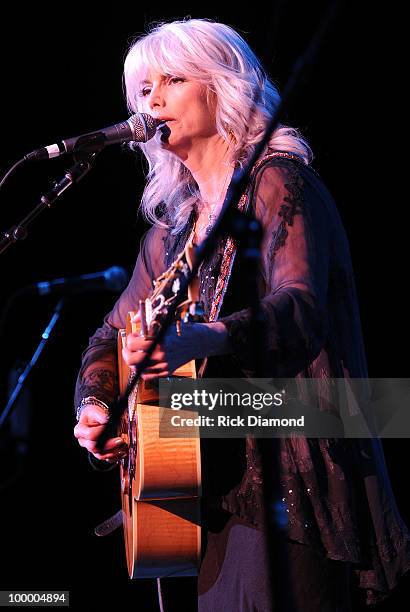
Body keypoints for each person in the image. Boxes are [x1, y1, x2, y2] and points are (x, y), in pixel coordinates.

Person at [73, 18, 410, 611]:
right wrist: (99, 405)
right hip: (209, 490)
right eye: (143, 89)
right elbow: (107, 337)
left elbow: (300, 309)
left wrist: (202, 339)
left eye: (171, 80)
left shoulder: (279, 183)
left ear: (222, 87)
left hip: (296, 479)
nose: (152, 101)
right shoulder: (171, 233)